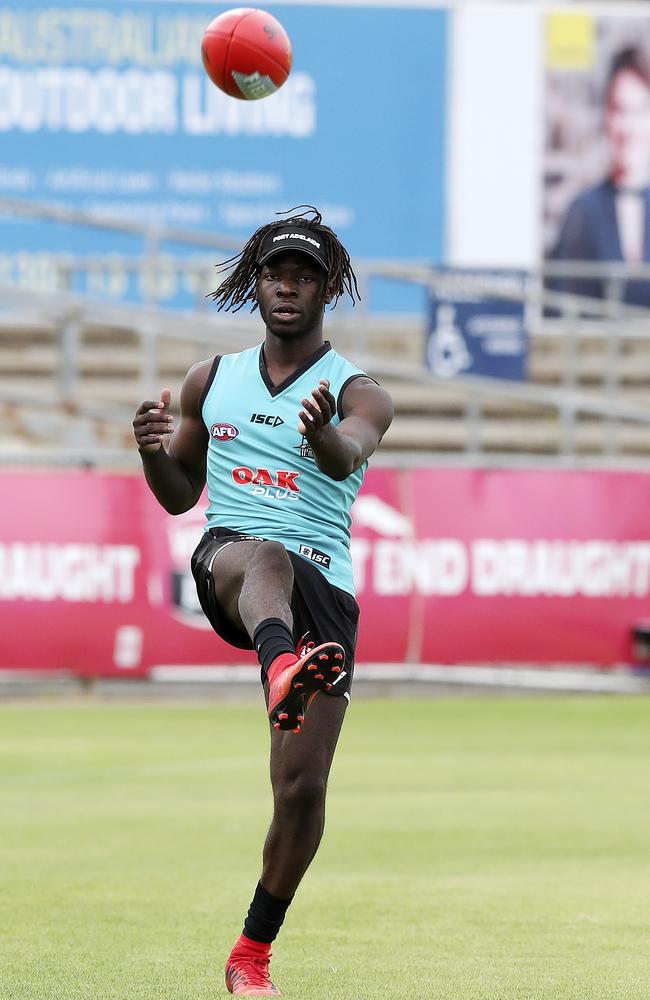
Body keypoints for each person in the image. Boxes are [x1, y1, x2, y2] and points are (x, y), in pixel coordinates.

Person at [132, 207, 393, 997]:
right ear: (256, 283)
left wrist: (321, 439)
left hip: (325, 592)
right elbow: (181, 495)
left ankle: (251, 953)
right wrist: (153, 453)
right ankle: (284, 667)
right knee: (265, 554)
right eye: (276, 272)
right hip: (234, 562)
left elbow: (350, 448)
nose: (288, 285)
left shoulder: (360, 391)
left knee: (303, 789)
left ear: (326, 290)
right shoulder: (211, 380)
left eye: (304, 275)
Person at [549, 45, 650, 306]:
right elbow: (563, 308)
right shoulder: (585, 212)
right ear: (607, 116)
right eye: (619, 110)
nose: (627, 126)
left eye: (639, 111)